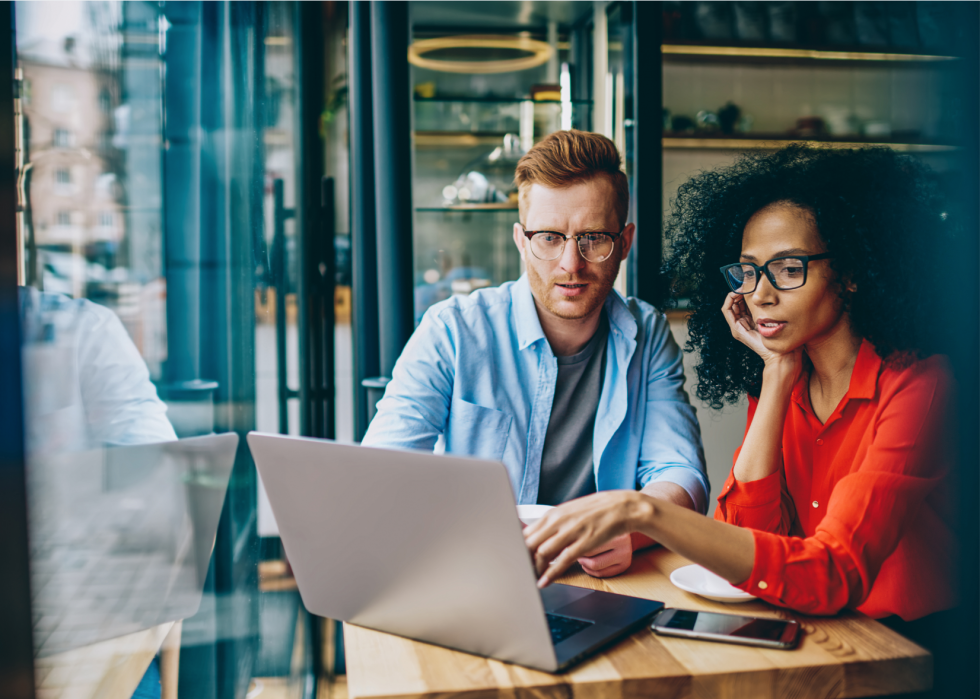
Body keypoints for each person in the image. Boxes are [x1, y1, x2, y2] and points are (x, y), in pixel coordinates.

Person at [525, 146, 957, 628]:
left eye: (789, 269)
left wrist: (642, 510)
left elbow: (834, 571)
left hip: (911, 646)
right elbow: (746, 546)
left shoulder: (922, 386)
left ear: (852, 272)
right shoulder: (784, 380)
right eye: (749, 271)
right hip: (814, 630)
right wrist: (774, 380)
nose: (760, 294)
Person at [363, 130, 707, 579]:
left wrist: (632, 531)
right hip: (475, 572)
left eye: (594, 238)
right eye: (548, 237)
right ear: (521, 241)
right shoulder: (452, 329)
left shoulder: (647, 332)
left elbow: (681, 474)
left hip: (605, 583)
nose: (571, 263)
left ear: (624, 243)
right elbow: (381, 474)